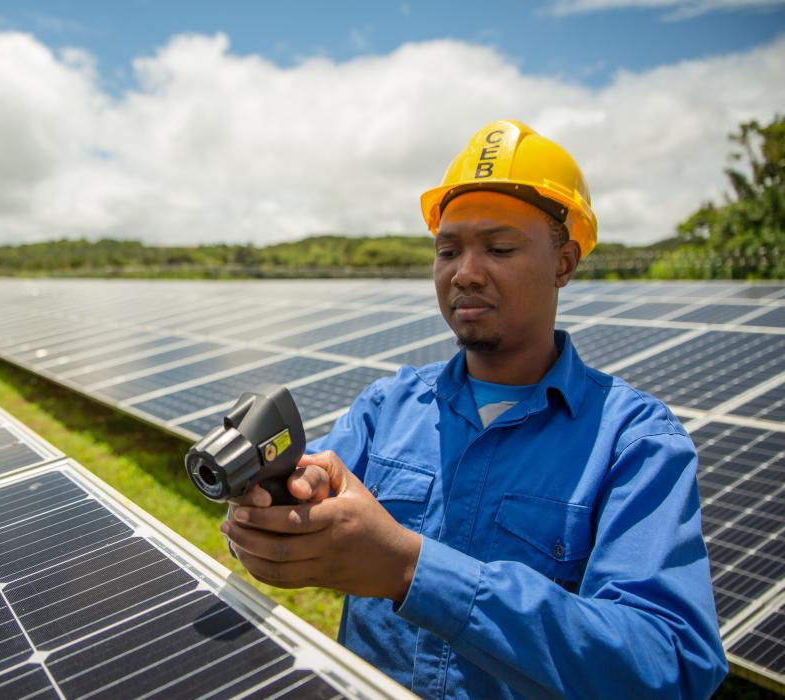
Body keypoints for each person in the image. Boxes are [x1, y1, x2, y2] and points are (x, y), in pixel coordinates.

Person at [220, 120, 729, 698]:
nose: (464, 272)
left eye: (500, 247)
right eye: (448, 249)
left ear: (564, 263)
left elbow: (670, 664)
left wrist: (411, 570)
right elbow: (303, 518)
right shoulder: (385, 408)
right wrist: (266, 523)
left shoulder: (634, 442)